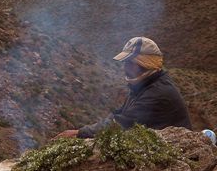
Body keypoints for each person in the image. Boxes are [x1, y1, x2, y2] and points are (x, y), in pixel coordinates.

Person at [57, 36, 192, 139]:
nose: (125, 67)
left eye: (130, 62)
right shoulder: (144, 85)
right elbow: (120, 114)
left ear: (145, 64)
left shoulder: (158, 92)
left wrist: (79, 133)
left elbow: (121, 124)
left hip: (176, 150)